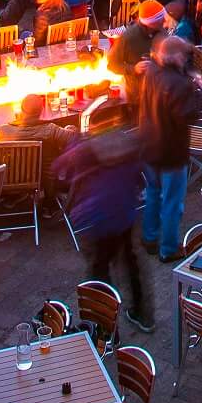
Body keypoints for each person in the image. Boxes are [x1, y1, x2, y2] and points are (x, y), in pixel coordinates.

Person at [53, 110, 155, 332]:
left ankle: (103, 324)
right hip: (124, 214)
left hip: (95, 218)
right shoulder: (129, 144)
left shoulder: (84, 150)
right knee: (131, 264)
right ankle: (143, 314)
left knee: (99, 270)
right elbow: (139, 178)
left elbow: (59, 171)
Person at [132, 32, 201, 270]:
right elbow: (187, 115)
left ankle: (149, 238)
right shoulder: (180, 85)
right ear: (176, 58)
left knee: (153, 193)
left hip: (150, 146)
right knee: (172, 202)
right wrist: (199, 92)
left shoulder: (152, 72)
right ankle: (169, 249)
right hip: (172, 151)